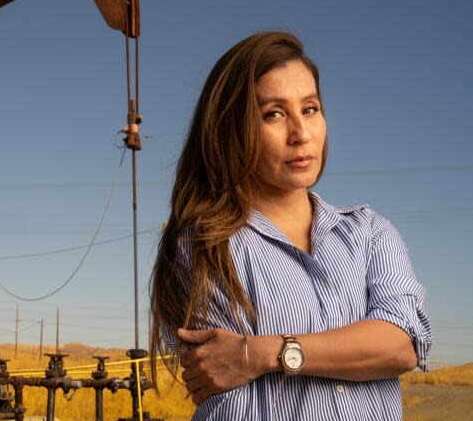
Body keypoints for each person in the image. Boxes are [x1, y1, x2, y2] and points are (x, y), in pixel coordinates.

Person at [148, 31, 432, 420]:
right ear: (231, 129)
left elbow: (400, 344)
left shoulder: (370, 233)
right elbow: (232, 393)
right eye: (274, 114)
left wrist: (263, 352)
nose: (301, 134)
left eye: (310, 109)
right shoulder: (206, 245)